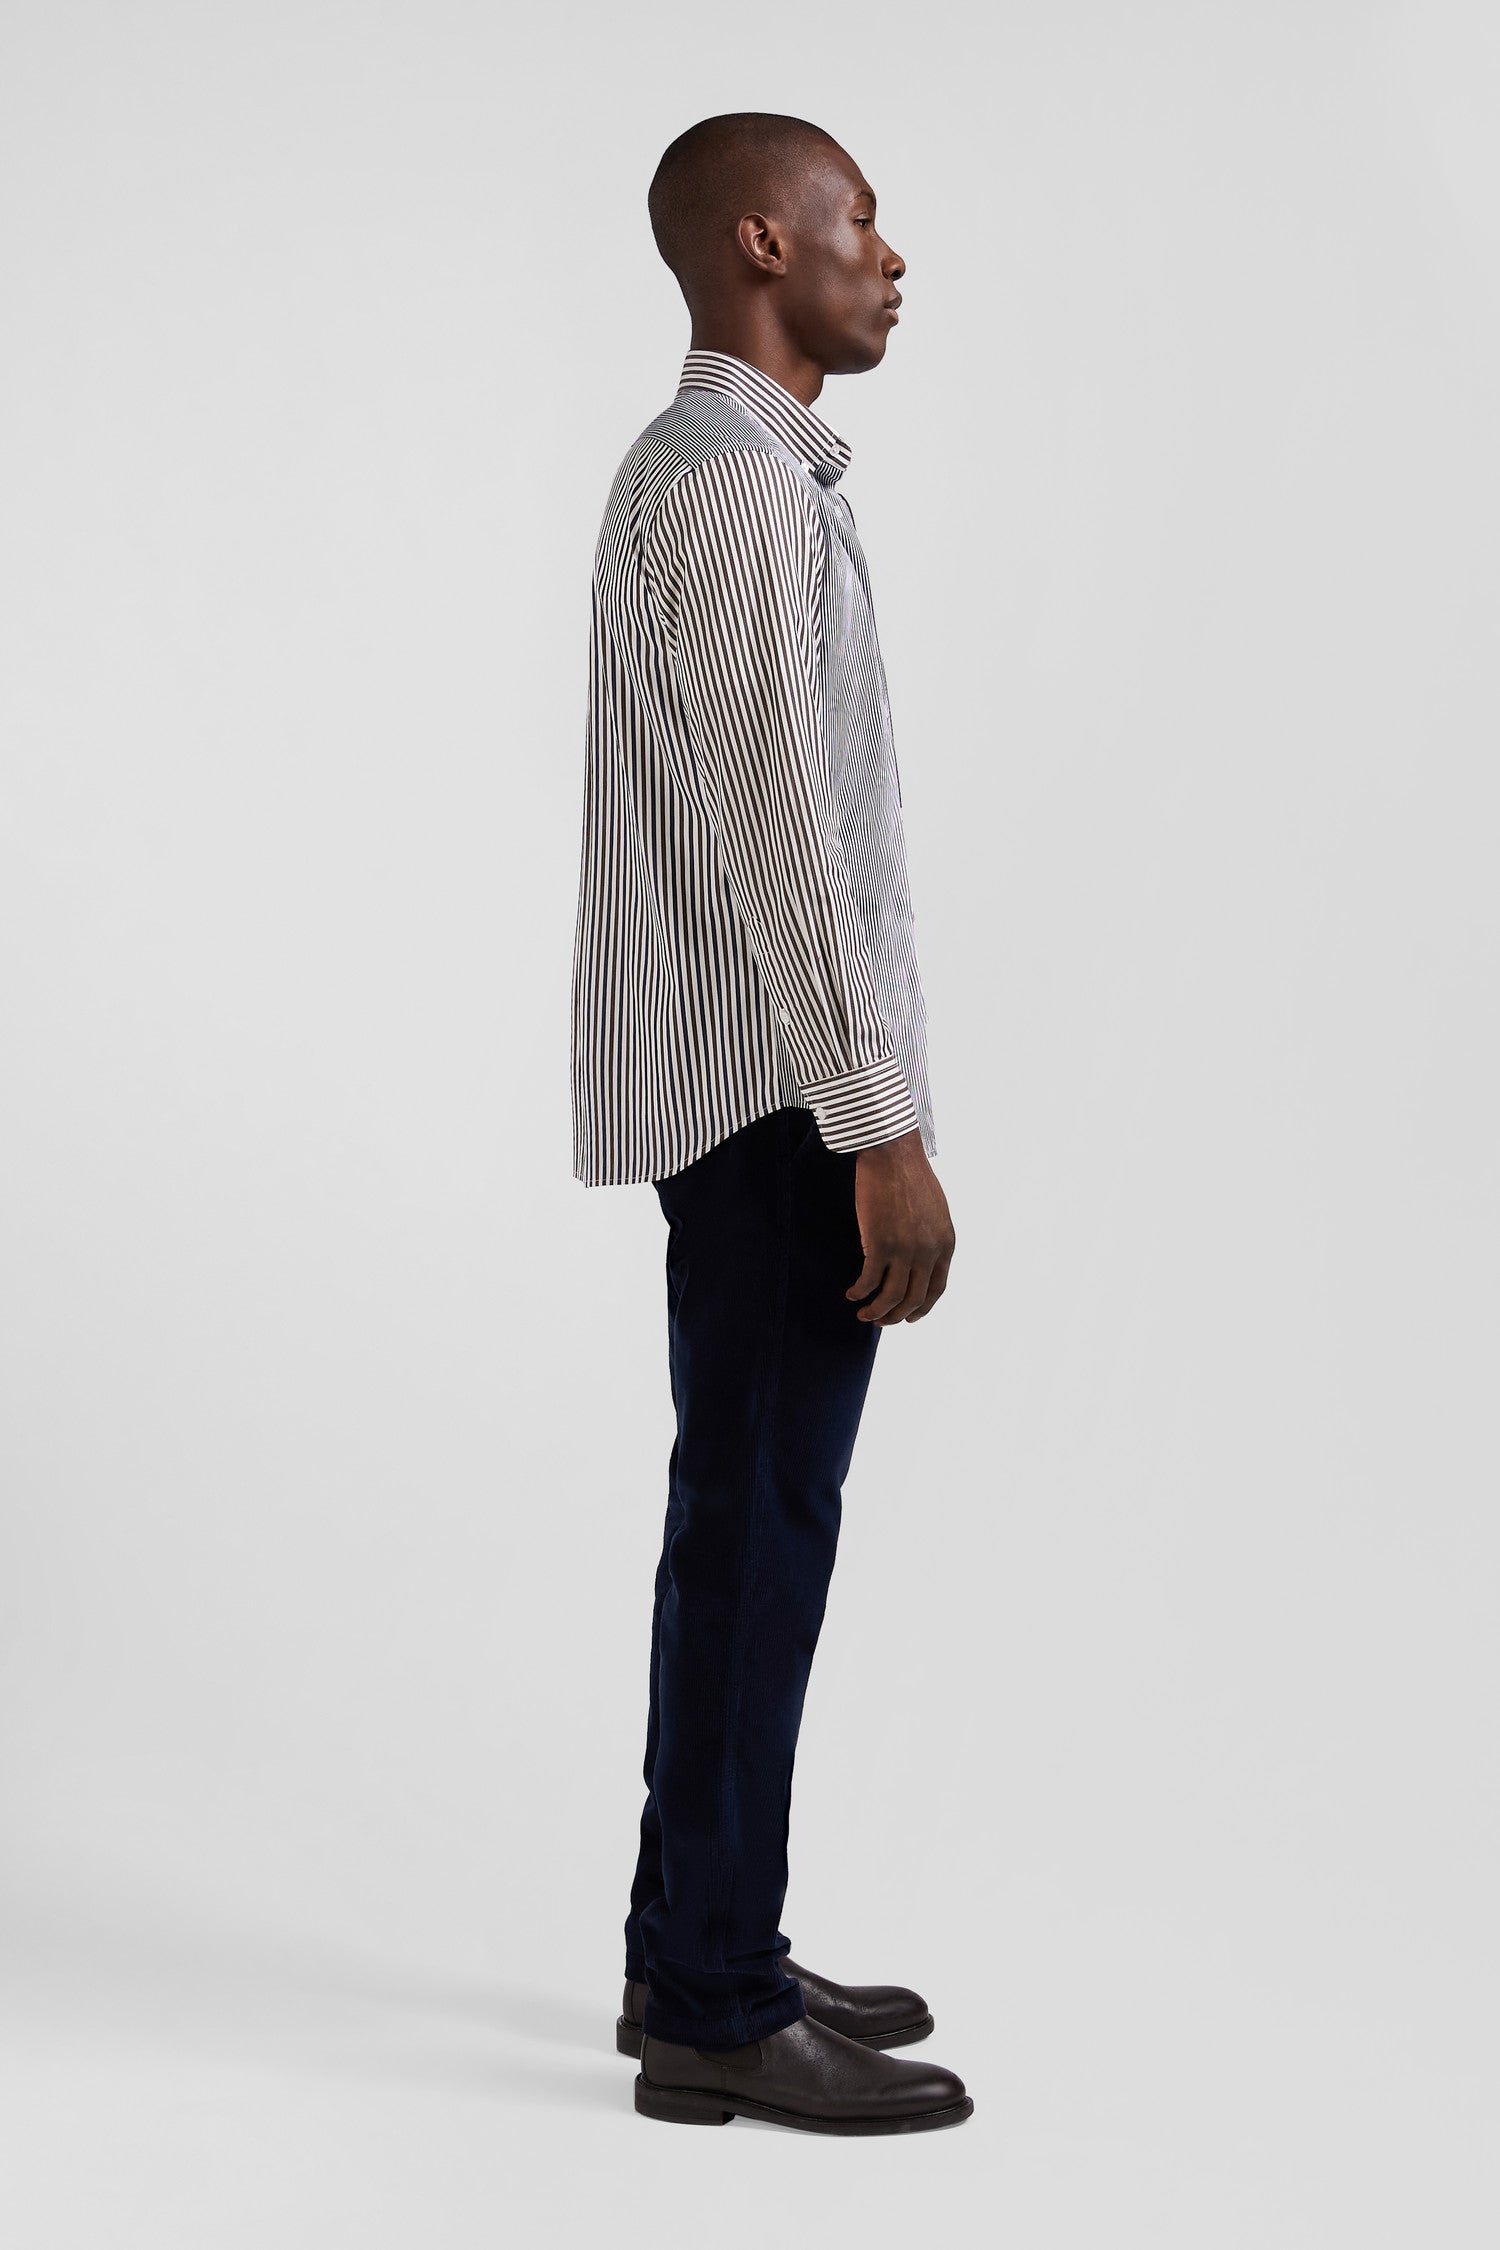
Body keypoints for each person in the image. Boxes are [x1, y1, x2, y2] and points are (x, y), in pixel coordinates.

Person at [569, 111, 970, 2136]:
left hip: (762, 1092)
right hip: (778, 1106)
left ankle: (704, 1945)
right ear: (758, 243)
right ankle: (713, 2001)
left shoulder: (729, 472)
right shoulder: (730, 485)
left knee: (744, 1518)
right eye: (858, 222)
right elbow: (787, 845)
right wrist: (879, 1126)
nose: (889, 257)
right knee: (755, 1525)